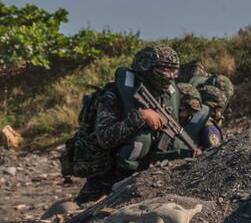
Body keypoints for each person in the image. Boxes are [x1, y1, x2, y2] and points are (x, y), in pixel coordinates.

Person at [72, 45, 185, 203]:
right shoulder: (113, 95)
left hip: (147, 176)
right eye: (165, 70)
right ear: (145, 68)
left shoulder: (165, 97)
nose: (171, 76)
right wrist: (141, 116)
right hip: (107, 172)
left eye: (175, 71)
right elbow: (104, 137)